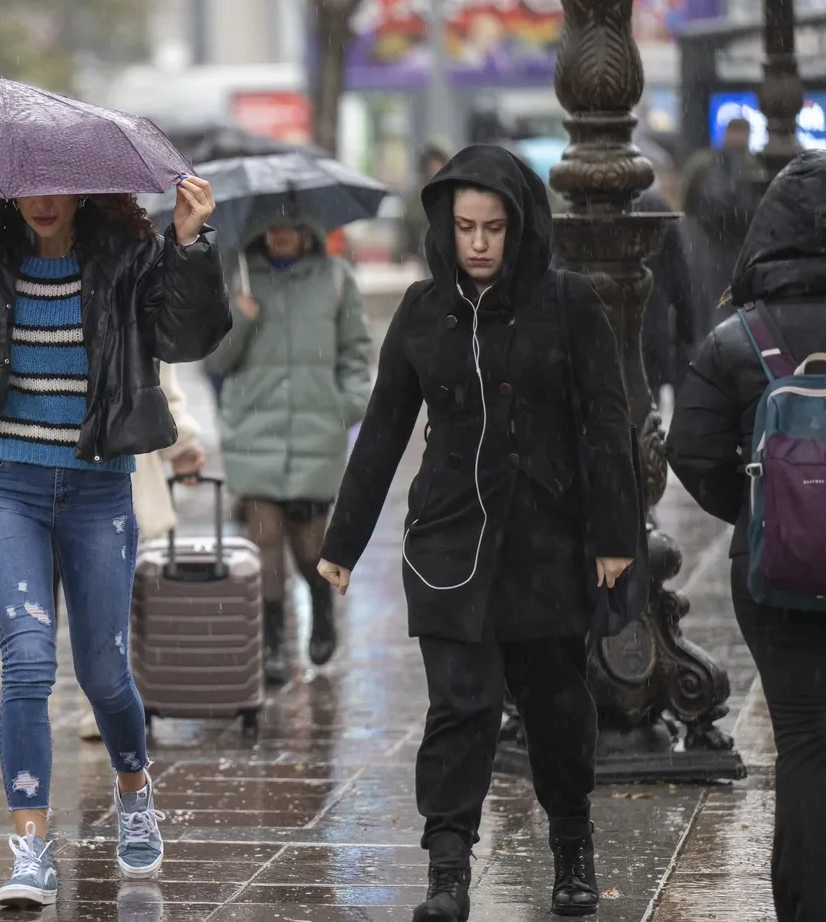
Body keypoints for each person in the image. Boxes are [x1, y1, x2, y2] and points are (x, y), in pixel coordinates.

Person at [316, 146, 638, 922]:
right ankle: (448, 869)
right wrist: (342, 544)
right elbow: (384, 430)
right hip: (449, 545)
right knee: (459, 708)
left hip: (548, 546)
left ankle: (571, 846)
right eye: (465, 227)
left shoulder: (570, 303)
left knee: (558, 707)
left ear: (519, 226)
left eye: (494, 226)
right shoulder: (425, 313)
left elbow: (607, 420)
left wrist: (613, 536)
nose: (481, 243)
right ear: (445, 228)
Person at [0, 179, 228, 909]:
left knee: (104, 673)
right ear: (8, 193)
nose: (43, 202)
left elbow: (187, 335)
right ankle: (30, 845)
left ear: (86, 191)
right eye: (29, 190)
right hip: (7, 485)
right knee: (26, 659)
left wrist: (188, 244)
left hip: (96, 488)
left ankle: (133, 783)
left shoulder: (129, 251)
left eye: (58, 190)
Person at [666, 150, 826, 922]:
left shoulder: (739, 337)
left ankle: (801, 900)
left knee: (801, 740)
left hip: (772, 574)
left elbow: (692, 457)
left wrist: (772, 514)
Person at [206, 219, 371, 684]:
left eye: (289, 227)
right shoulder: (238, 276)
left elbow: (357, 351)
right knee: (265, 539)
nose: (278, 235)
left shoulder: (336, 278)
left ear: (307, 230)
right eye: (271, 227)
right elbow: (215, 358)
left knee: (310, 543)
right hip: (253, 430)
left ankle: (320, 608)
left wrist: (347, 406)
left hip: (315, 431)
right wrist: (240, 316)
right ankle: (273, 641)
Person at [73, 361, 206, 741]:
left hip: (112, 458)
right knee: (60, 604)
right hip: (45, 459)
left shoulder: (131, 299)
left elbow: (158, 378)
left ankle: (99, 707)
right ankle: (82, 708)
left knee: (99, 599)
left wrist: (181, 445)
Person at [680, 117, 761, 330]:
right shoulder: (756, 166)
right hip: (743, 249)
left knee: (708, 303)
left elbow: (686, 201)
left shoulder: (702, 162)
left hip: (707, 245)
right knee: (739, 304)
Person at [639, 183, 697, 398]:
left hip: (603, 337)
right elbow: (681, 282)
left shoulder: (584, 206)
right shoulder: (657, 208)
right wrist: (686, 337)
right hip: (653, 329)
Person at [397, 142, 451, 268]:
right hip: (422, 255)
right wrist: (406, 252)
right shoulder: (417, 195)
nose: (435, 167)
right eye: (432, 164)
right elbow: (407, 225)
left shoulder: (452, 191)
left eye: (438, 163)